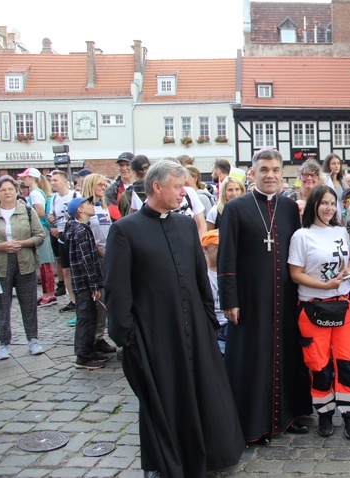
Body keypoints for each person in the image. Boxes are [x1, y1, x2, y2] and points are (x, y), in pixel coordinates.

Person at [104, 160, 245, 476]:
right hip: (155, 332)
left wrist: (209, 319)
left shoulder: (184, 225)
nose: (185, 193)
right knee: (165, 399)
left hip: (194, 327)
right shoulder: (124, 231)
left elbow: (199, 277)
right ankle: (165, 462)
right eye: (178, 187)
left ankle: (209, 454)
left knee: (203, 393)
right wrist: (126, 336)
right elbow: (117, 289)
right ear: (156, 187)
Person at [217, 147, 312, 445]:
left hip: (285, 298)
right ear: (253, 173)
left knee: (286, 356)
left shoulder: (287, 208)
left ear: (282, 173)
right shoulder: (236, 208)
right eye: (264, 170)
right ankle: (253, 425)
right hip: (249, 299)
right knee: (252, 359)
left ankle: (287, 417)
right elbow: (226, 258)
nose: (270, 175)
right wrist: (229, 300)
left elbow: (298, 252)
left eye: (275, 170)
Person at [288, 184, 350, 439]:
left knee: (348, 363)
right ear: (314, 205)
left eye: (333, 203)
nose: (329, 208)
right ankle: (325, 414)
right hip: (312, 307)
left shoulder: (341, 230)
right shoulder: (301, 236)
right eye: (324, 203)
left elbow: (349, 260)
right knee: (320, 367)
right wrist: (324, 285)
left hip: (343, 305)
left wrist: (345, 272)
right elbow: (295, 273)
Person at [0, 176, 46, 360]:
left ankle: (33, 340)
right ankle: (4, 344)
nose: (7, 192)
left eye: (10, 189)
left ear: (16, 191)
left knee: (29, 304)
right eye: (3, 190)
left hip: (25, 261)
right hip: (0, 264)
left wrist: (22, 243)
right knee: (2, 306)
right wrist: (1, 246)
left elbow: (39, 235)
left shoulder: (27, 211)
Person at [64, 196, 108, 370]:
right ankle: (83, 356)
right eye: (88, 204)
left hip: (83, 282)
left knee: (90, 317)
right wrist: (94, 285)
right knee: (86, 318)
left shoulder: (81, 227)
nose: (92, 206)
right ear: (80, 210)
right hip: (84, 283)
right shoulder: (81, 230)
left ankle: (88, 349)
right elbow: (86, 260)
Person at [18, 168, 57, 308]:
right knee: (45, 263)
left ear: (32, 178)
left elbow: (40, 213)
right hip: (41, 229)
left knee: (44, 263)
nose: (23, 180)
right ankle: (48, 293)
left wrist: (25, 208)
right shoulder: (37, 192)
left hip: (39, 229)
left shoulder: (35, 193)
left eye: (25, 177)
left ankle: (48, 294)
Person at [47, 170, 78, 312]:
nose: (52, 183)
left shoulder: (75, 195)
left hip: (75, 236)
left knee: (78, 269)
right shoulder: (53, 199)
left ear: (64, 181)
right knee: (66, 270)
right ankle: (73, 300)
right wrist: (51, 220)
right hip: (62, 237)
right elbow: (52, 216)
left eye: (55, 180)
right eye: (51, 180)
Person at [201, 229, 227, 356]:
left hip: (229, 323)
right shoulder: (201, 273)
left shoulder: (230, 271)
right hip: (209, 325)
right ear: (206, 248)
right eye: (217, 247)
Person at [104, 151, 135, 221]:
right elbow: (114, 214)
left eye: (127, 165)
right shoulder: (111, 190)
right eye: (121, 165)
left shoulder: (144, 186)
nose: (124, 168)